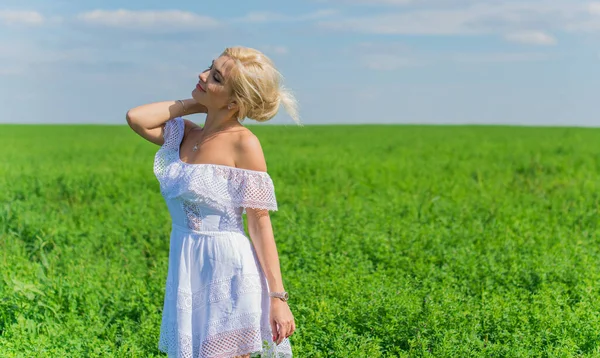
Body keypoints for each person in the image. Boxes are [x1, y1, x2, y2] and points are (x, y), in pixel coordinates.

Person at [126, 46, 300, 358]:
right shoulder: (186, 135)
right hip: (187, 265)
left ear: (235, 101)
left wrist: (277, 297)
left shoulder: (243, 144)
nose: (202, 75)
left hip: (228, 270)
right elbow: (136, 118)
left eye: (215, 77)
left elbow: (260, 224)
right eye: (210, 67)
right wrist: (202, 100)